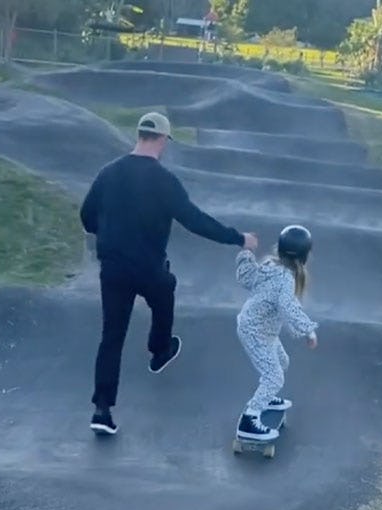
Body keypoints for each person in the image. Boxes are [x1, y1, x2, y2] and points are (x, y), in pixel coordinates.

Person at [80, 112, 258, 436]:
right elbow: (195, 220)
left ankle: (101, 411)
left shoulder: (108, 174)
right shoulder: (164, 181)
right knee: (165, 289)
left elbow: (86, 216)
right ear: (162, 140)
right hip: (148, 267)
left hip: (114, 268)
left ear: (139, 135)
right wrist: (238, 238)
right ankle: (160, 349)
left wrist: (106, 231)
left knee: (112, 337)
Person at [233, 224, 319, 442]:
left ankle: (266, 396)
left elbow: (246, 278)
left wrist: (246, 252)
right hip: (255, 331)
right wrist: (308, 331)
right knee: (274, 376)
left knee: (282, 362)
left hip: (261, 329)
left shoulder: (269, 265)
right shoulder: (286, 279)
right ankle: (248, 420)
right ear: (305, 257)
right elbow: (289, 308)